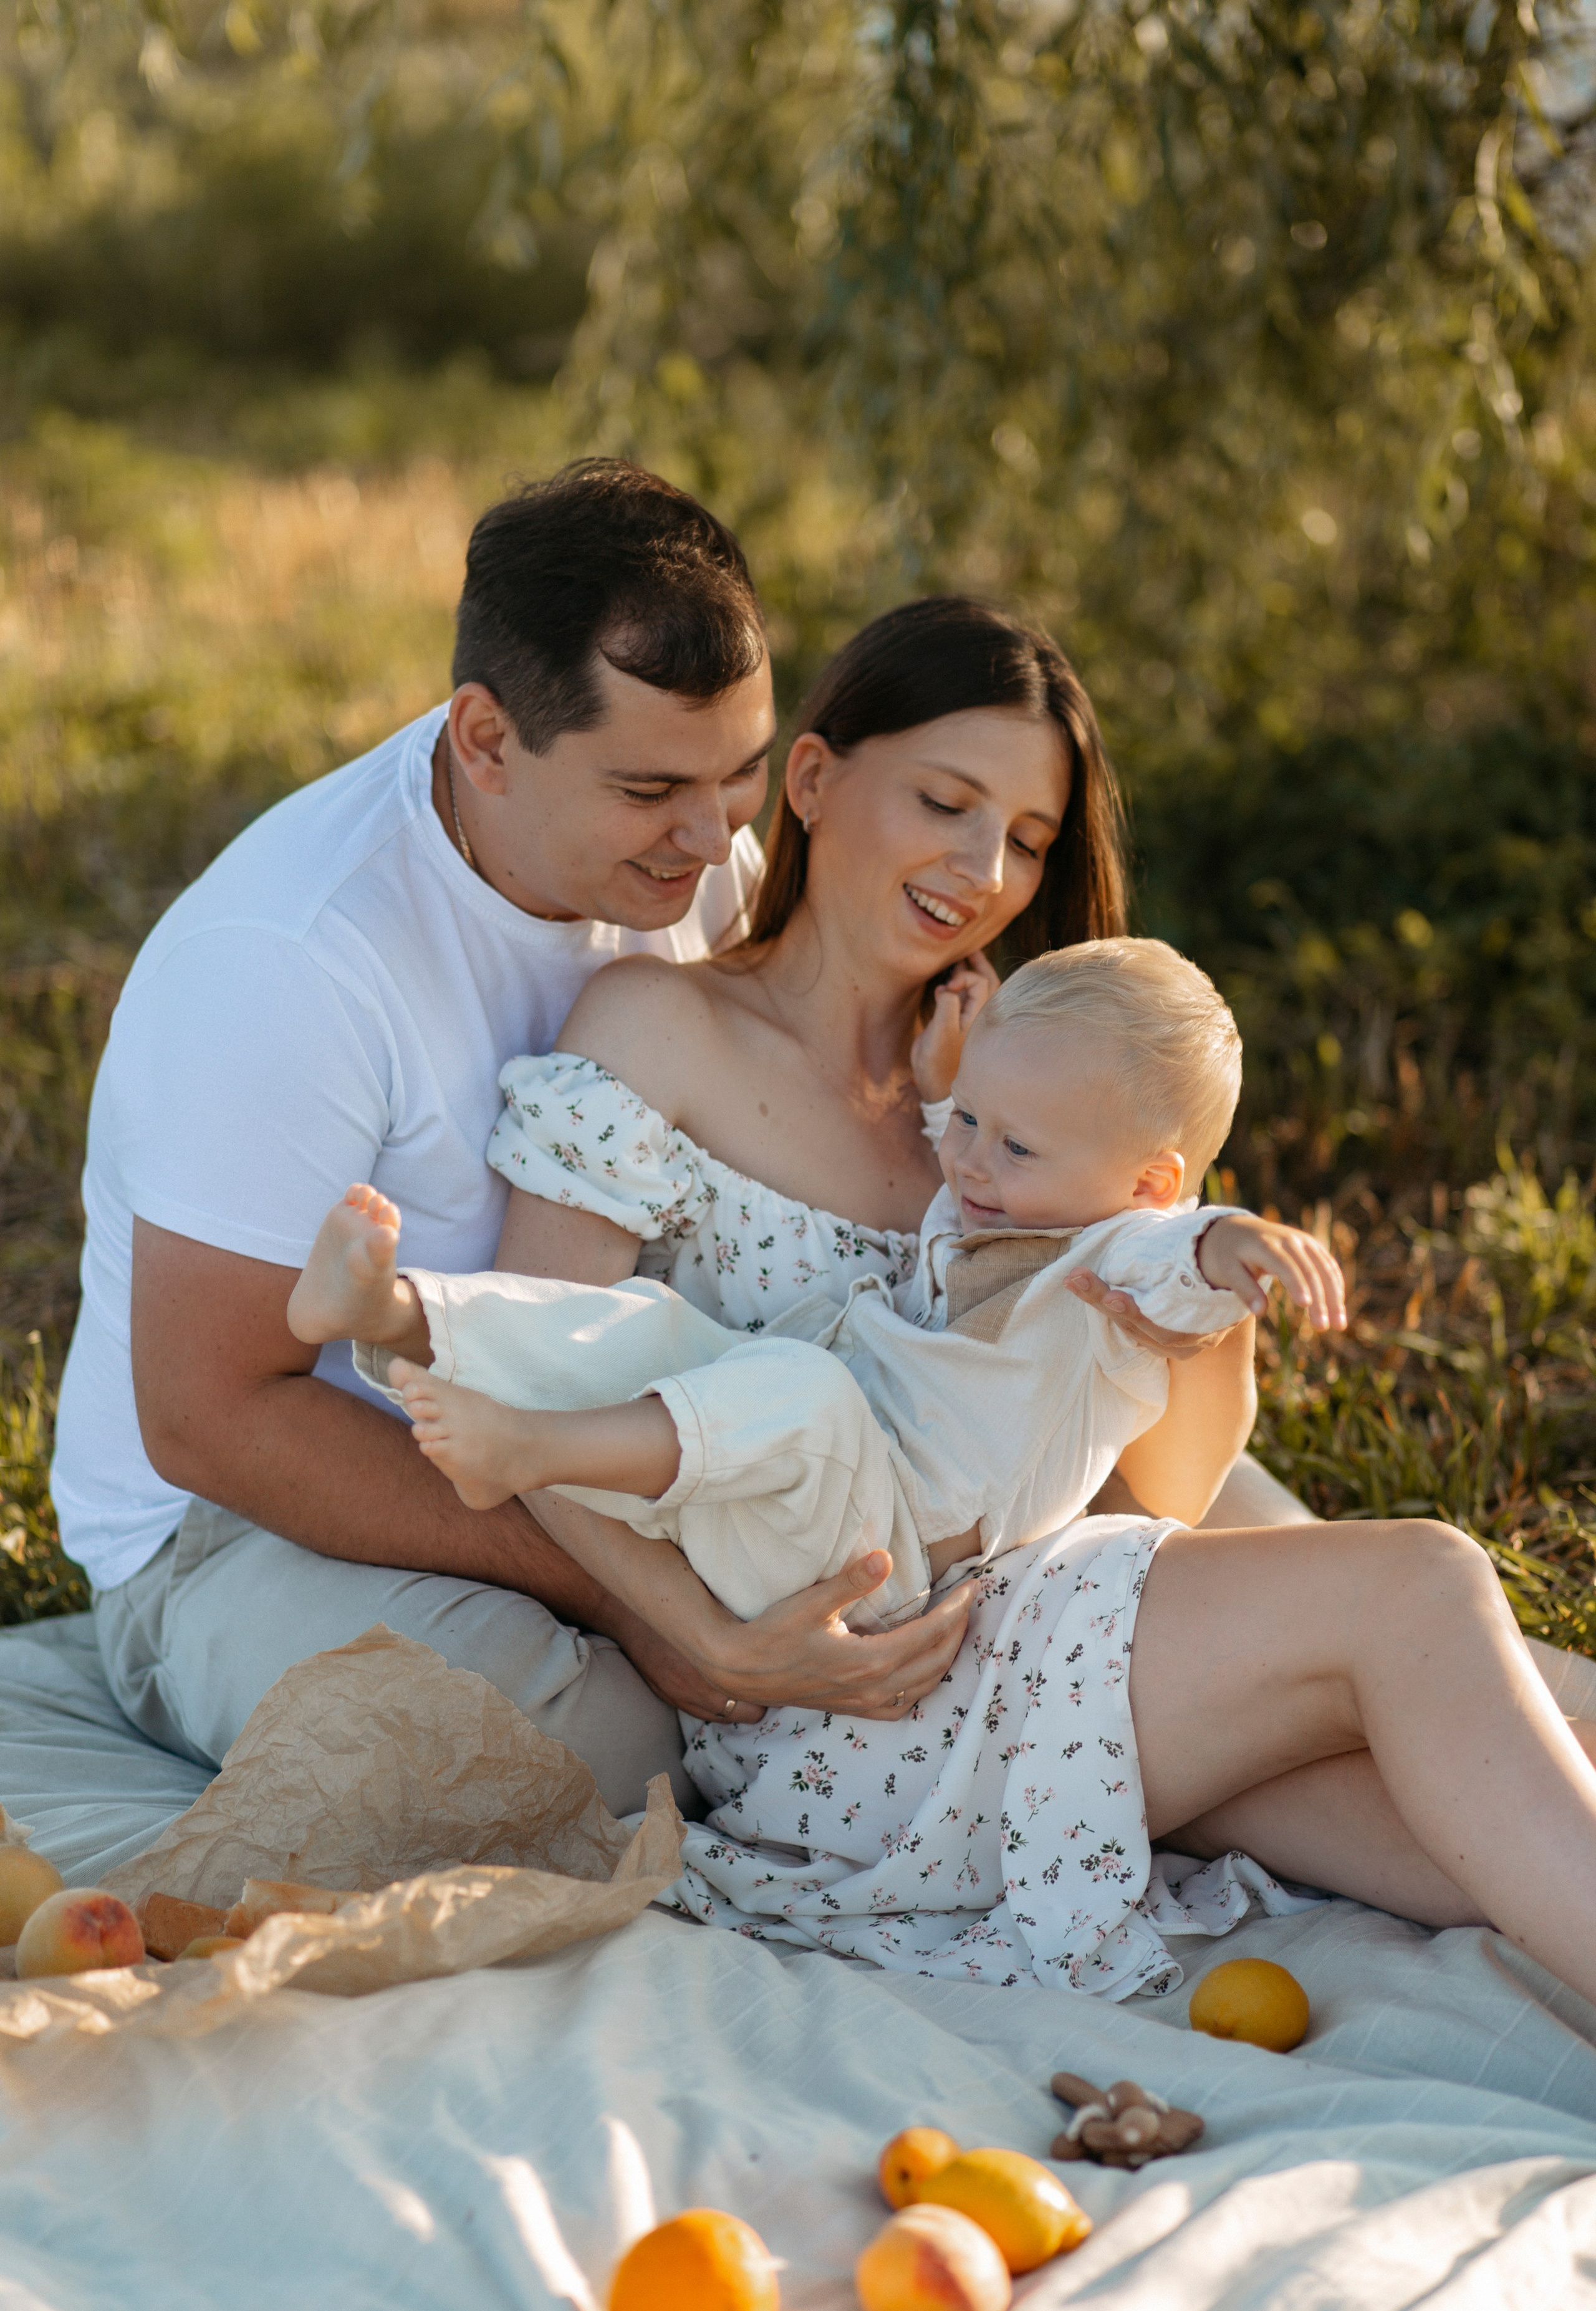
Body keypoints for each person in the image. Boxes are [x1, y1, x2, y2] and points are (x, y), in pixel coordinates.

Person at [459, 593, 1596, 2006]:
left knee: (1497, 1765)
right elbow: (515, 1378)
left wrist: (1196, 1308)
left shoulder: (1028, 1091)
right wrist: (696, 1641)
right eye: (944, 802)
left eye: (1029, 838)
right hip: (853, 1701)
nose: (983, 867)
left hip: (1046, 1640)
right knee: (1423, 1586)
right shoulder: (660, 1031)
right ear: (810, 781)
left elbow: (1161, 1489)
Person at [52, 461, 974, 1817]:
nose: (714, 835)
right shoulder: (288, 963)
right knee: (591, 1755)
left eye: (738, 774)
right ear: (484, 740)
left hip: (610, 1443)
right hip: (241, 1530)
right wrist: (638, 1599)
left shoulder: (696, 850)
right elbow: (210, 1418)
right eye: (651, 788)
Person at [284, 940, 1342, 1636]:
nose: (968, 1163)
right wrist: (947, 1090)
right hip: (797, 1500)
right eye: (969, 1122)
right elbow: (966, 1141)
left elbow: (1183, 1256)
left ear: (1147, 1185)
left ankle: (530, 1450)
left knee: (802, 1396)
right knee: (650, 1329)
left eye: (1012, 1143)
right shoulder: (998, 1189)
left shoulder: (1111, 1261)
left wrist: (1237, 1238)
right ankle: (394, 1315)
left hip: (890, 1552)